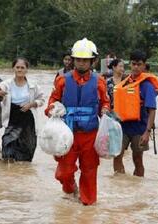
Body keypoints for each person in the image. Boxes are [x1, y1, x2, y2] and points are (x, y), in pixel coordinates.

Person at [45, 38, 110, 205]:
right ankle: (70, 188)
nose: (81, 63)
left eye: (85, 60)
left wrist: (105, 110)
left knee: (89, 171)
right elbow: (51, 103)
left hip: (90, 135)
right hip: (67, 135)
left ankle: (88, 206)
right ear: (73, 60)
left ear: (92, 61)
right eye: (78, 59)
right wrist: (53, 108)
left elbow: (106, 103)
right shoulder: (62, 80)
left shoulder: (100, 81)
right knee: (63, 173)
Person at [112, 50, 158, 177]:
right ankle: (120, 184)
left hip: (140, 129)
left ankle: (138, 186)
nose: (136, 67)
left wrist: (147, 132)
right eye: (133, 64)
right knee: (117, 155)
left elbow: (152, 110)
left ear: (144, 65)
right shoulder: (125, 81)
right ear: (130, 64)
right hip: (122, 127)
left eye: (139, 64)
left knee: (137, 159)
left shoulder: (147, 86)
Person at [0, 58, 44, 162]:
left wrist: (31, 104)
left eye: (22, 68)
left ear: (26, 69)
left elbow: (42, 100)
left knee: (27, 150)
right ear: (13, 69)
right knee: (7, 147)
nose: (19, 70)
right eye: (17, 67)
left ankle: (22, 175)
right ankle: (9, 174)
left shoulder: (33, 85)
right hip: (12, 119)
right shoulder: (7, 84)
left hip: (28, 121)